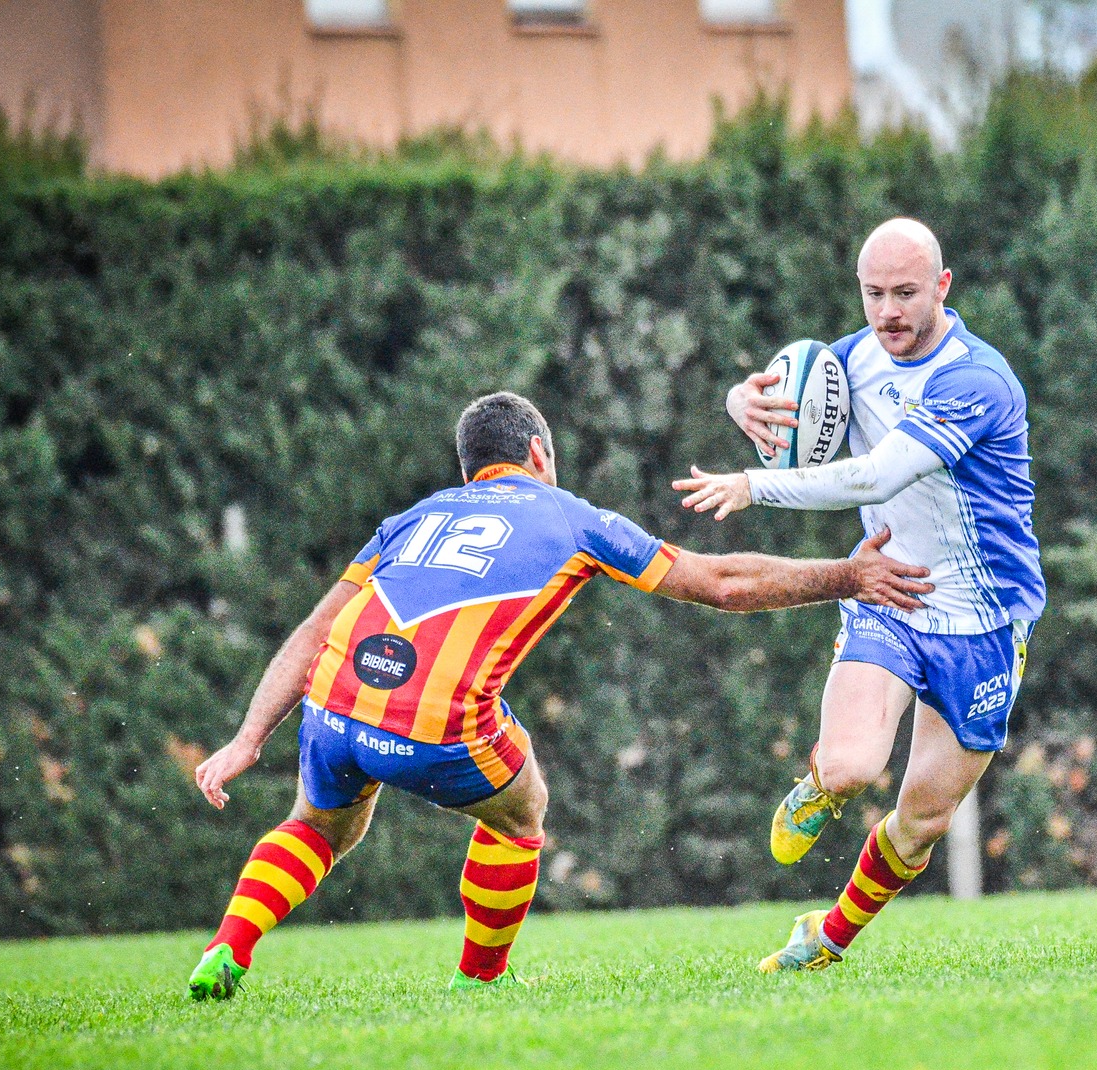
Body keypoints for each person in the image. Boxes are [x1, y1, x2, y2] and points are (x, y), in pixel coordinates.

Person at [185, 391, 932, 998]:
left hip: (333, 705)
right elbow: (721, 583)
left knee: (319, 827)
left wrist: (248, 739)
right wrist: (846, 574)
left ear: (471, 466)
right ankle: (481, 979)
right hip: (439, 724)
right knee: (520, 811)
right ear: (539, 454)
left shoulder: (410, 520)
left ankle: (228, 949)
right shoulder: (571, 516)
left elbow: (317, 628)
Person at [674, 218, 1043, 972]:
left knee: (921, 822)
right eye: (873, 294)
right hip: (888, 589)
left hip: (986, 621)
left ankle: (828, 937)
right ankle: (819, 786)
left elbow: (878, 475)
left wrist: (754, 485)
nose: (888, 314)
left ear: (942, 287)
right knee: (851, 768)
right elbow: (779, 394)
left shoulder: (976, 380)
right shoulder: (849, 360)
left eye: (905, 294)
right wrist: (737, 403)